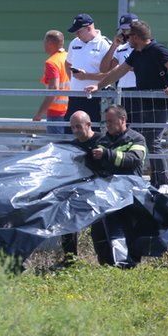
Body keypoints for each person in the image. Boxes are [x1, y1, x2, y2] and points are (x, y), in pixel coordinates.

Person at [85, 19, 168, 194]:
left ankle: (164, 182)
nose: (127, 40)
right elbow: (118, 71)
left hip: (159, 103)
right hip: (141, 101)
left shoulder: (157, 49)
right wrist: (98, 86)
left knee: (153, 141)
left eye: (129, 37)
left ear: (136, 37)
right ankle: (141, 180)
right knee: (138, 139)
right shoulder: (137, 53)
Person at [88, 105, 148, 267]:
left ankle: (130, 264)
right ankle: (106, 264)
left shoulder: (136, 139)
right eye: (106, 121)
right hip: (106, 194)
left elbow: (132, 159)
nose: (107, 125)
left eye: (111, 121)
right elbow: (98, 164)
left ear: (122, 120)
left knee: (128, 230)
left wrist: (108, 154)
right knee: (99, 231)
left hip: (128, 195)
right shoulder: (102, 140)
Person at [58, 110, 100, 266]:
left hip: (100, 190)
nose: (75, 131)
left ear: (88, 125)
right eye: (72, 128)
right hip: (80, 190)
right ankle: (70, 259)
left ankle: (106, 261)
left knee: (100, 226)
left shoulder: (102, 141)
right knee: (65, 212)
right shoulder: (73, 146)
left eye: (78, 127)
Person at [64, 13, 111, 127]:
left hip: (96, 96)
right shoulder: (74, 42)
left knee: (94, 129)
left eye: (79, 31)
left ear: (89, 28)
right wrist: (73, 81)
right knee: (71, 130)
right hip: (75, 95)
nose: (76, 34)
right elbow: (67, 63)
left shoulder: (105, 44)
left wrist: (86, 77)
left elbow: (112, 74)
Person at [33, 30, 71, 135]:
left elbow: (53, 88)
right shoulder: (69, 57)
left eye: (44, 42)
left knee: (56, 146)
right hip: (71, 109)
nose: (43, 45)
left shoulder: (52, 62)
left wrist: (39, 114)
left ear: (50, 44)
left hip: (56, 114)